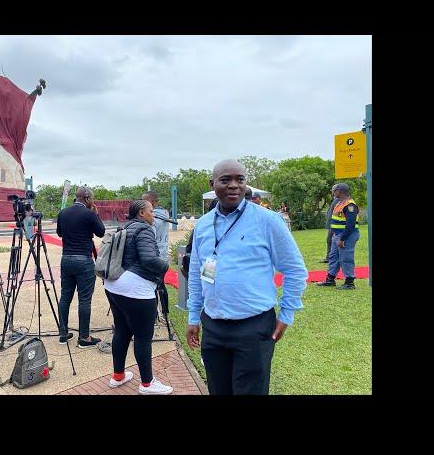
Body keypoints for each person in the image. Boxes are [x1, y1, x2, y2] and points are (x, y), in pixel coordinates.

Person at [187, 159, 308, 395]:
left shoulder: (268, 220)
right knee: (218, 390)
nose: (234, 185)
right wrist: (194, 315)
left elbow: (295, 269)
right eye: (226, 180)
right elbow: (196, 273)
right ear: (213, 184)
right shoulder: (202, 225)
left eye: (239, 179)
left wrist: (287, 314)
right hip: (213, 325)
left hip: (253, 328)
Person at [104, 199, 172, 394]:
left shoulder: (123, 228)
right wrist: (166, 266)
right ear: (142, 213)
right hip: (135, 289)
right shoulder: (144, 230)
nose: (154, 214)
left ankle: (118, 376)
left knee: (122, 331)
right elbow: (150, 260)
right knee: (143, 337)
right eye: (151, 211)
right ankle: (147, 384)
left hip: (113, 285)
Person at [56, 186, 106, 348]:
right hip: (83, 261)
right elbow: (101, 232)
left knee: (65, 297)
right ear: (86, 199)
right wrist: (96, 214)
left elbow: (59, 233)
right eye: (92, 198)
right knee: (84, 299)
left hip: (66, 259)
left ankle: (63, 334)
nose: (93, 201)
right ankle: (84, 337)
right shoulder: (90, 214)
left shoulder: (63, 213)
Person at [316, 183, 360, 290]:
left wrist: (342, 238)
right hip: (337, 235)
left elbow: (350, 224)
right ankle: (330, 279)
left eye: (333, 190)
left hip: (346, 235)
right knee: (333, 257)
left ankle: (349, 282)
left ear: (339, 191)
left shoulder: (350, 205)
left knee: (346, 258)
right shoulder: (339, 203)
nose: (332, 192)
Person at [142, 191, 170, 322]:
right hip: (162, 255)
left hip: (155, 256)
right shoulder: (164, 214)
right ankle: (164, 313)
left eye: (144, 201)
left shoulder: (153, 219)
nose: (142, 203)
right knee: (160, 285)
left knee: (154, 286)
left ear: (152, 202)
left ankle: (156, 315)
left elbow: (149, 238)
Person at [320, 185, 340, 263]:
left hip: (334, 224)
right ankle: (330, 257)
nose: (332, 192)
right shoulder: (336, 199)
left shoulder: (338, 200)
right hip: (333, 224)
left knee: (330, 240)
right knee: (330, 240)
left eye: (333, 190)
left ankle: (330, 258)